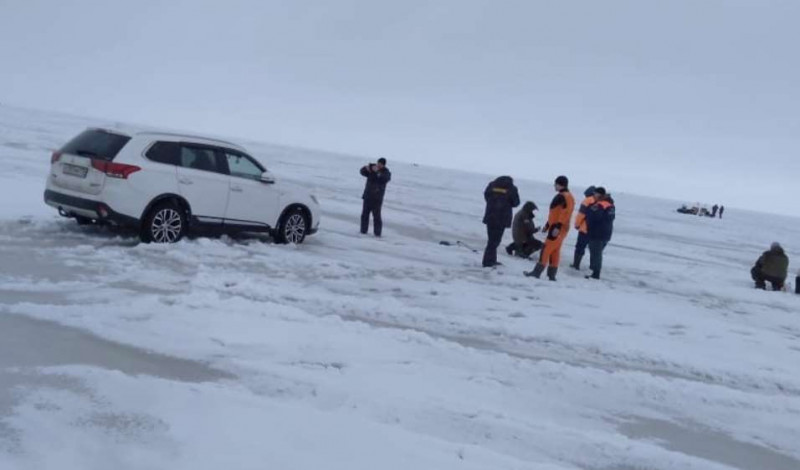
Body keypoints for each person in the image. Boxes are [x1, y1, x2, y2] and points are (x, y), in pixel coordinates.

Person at [525, 176, 575, 281]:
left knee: (546, 249)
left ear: (559, 184)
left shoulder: (563, 196)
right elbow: (556, 213)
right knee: (555, 251)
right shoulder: (568, 196)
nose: (554, 186)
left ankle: (536, 272)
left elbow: (564, 213)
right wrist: (548, 225)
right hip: (561, 228)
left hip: (558, 228)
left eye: (555, 184)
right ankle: (551, 275)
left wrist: (557, 226)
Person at [481, 176, 520, 267]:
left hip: (490, 216)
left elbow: (486, 196)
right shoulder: (511, 188)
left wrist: (493, 203)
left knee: (491, 240)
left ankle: (491, 260)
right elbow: (516, 203)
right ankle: (487, 262)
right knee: (495, 241)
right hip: (502, 218)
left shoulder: (492, 185)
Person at [584, 188, 615, 280]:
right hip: (606, 233)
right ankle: (594, 271)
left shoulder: (600, 205)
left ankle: (595, 273)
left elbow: (595, 217)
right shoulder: (611, 205)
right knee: (597, 252)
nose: (593, 196)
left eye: (595, 194)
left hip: (597, 233)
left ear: (599, 194)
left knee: (596, 253)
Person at [360, 158, 391, 237]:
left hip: (377, 199)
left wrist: (377, 171)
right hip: (367, 196)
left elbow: (384, 178)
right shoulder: (372, 169)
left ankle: (377, 234)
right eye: (378, 163)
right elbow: (362, 172)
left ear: (384, 165)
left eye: (380, 164)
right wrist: (366, 168)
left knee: (376, 217)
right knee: (364, 215)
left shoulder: (386, 172)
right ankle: (363, 231)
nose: (378, 165)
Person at [570, 186, 596, 270]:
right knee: (594, 250)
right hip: (595, 230)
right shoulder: (600, 201)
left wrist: (577, 224)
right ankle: (593, 267)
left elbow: (581, 214)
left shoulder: (587, 200)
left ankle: (576, 264)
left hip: (585, 229)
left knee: (580, 246)